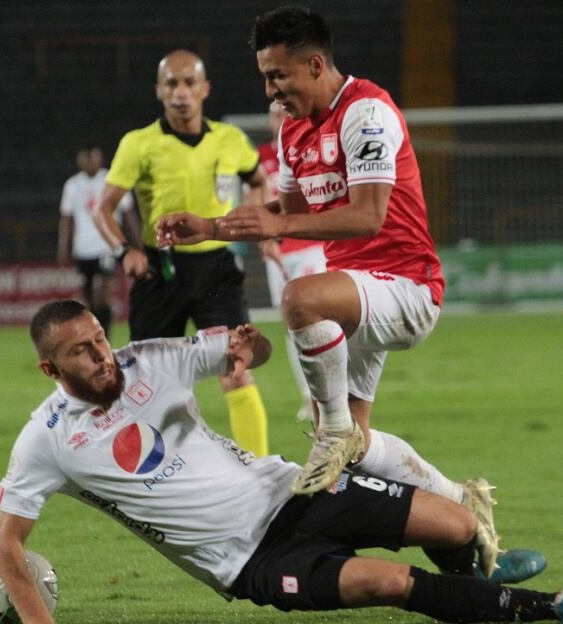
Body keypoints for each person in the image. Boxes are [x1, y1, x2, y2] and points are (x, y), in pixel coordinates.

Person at [0, 300, 563, 624]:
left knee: (458, 527)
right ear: (51, 369)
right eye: (82, 352)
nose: (103, 355)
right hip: (250, 562)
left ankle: (474, 594)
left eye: (100, 336)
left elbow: (248, 350)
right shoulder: (44, 442)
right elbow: (8, 547)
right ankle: (549, 607)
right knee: (388, 583)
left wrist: (247, 349)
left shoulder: (148, 358)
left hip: (295, 490)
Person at [156, 6, 503, 575]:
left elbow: (367, 216)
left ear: (315, 64)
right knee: (359, 448)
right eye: (265, 76)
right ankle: (463, 505)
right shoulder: (292, 129)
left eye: (278, 76)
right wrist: (213, 228)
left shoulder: (367, 111)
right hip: (356, 295)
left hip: (407, 287)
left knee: (299, 299)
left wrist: (276, 226)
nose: (270, 90)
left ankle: (333, 432)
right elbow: (286, 213)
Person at [91, 48, 271, 457]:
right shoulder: (139, 144)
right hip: (161, 272)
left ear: (205, 89)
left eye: (189, 82)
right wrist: (125, 252)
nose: (181, 92)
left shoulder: (230, 140)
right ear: (159, 90)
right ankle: (163, 477)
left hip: (218, 272)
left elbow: (259, 180)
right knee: (152, 384)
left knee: (236, 369)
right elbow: (102, 208)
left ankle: (262, 474)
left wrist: (253, 223)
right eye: (171, 83)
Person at [255, 100, 328, 421]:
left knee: (322, 320)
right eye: (274, 114)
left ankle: (332, 393)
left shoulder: (309, 150)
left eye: (284, 113)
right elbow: (255, 201)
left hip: (311, 246)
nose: (280, 119)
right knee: (292, 326)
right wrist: (264, 240)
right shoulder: (260, 159)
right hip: (279, 252)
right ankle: (307, 394)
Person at [57, 144, 137, 337]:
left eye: (93, 157)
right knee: (88, 298)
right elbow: (67, 219)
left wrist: (137, 243)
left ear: (100, 159)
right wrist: (63, 248)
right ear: (80, 160)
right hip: (83, 250)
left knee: (103, 290)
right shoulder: (73, 185)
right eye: (86, 157)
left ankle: (105, 337)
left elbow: (127, 214)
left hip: (107, 246)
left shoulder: (112, 180)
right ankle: (92, 336)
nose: (90, 161)